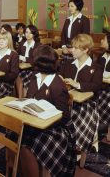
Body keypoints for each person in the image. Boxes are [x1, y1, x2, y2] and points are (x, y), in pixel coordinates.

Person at [19, 45, 76, 177]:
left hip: (56, 129)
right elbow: (30, 99)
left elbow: (64, 117)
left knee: (31, 144)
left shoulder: (57, 85)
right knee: (14, 134)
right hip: (35, 122)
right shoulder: (35, 78)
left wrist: (44, 118)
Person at [59, 34, 103, 158]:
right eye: (72, 47)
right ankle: (63, 144)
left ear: (85, 50)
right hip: (67, 101)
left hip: (86, 105)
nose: (71, 50)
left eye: (75, 48)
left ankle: (76, 145)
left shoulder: (96, 67)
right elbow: (61, 78)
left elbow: (96, 86)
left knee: (75, 115)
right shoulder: (68, 64)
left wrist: (77, 84)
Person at [15, 25, 41, 98]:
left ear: (34, 34)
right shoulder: (22, 43)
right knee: (17, 76)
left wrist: (23, 58)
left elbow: (35, 60)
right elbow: (17, 55)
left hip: (33, 69)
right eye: (26, 32)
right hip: (22, 69)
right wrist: (20, 59)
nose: (28, 34)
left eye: (30, 33)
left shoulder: (38, 45)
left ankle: (25, 97)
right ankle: (21, 98)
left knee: (22, 78)